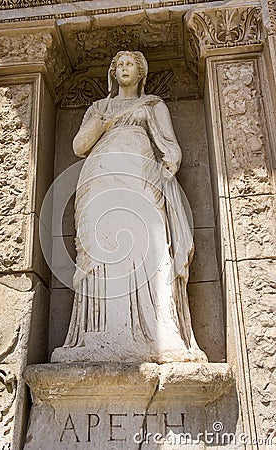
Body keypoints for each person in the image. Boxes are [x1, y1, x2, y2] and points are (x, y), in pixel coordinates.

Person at [51, 51, 207, 363]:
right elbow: (79, 146)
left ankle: (159, 331)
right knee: (101, 248)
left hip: (140, 176)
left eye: (129, 65)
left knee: (148, 246)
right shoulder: (99, 108)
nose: (123, 69)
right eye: (119, 65)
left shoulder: (153, 105)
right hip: (99, 179)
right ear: (113, 73)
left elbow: (171, 145)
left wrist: (172, 160)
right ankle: (96, 333)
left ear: (140, 73)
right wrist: (101, 125)